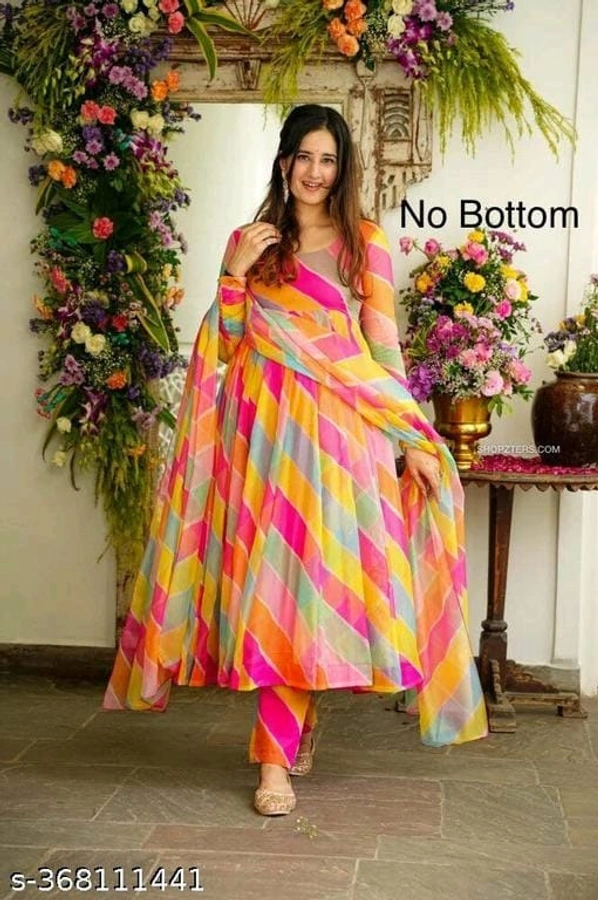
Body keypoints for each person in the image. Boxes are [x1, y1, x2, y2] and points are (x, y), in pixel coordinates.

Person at [103, 104, 488, 817]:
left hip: (340, 439)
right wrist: (234, 274)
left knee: (316, 588)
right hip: (263, 439)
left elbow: (382, 351)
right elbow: (225, 344)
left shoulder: (364, 243)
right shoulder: (251, 242)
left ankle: (276, 752)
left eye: (328, 160)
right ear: (284, 162)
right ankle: (282, 746)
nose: (315, 171)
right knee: (279, 592)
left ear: (342, 170)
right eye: (304, 157)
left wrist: (411, 439)